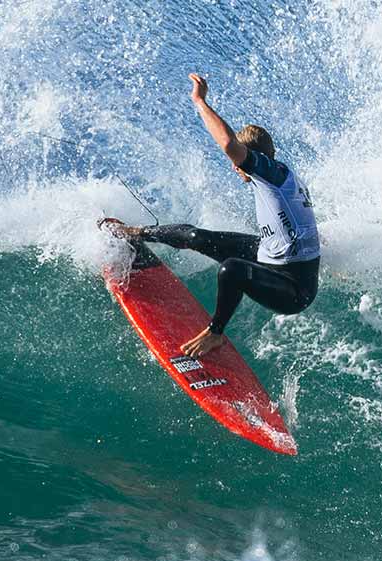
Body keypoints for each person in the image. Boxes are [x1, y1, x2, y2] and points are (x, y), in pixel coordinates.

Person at [104, 73, 321, 358]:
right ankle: (138, 233)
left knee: (231, 269)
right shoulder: (280, 174)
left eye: (238, 163)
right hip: (272, 254)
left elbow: (230, 145)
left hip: (294, 288)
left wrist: (200, 101)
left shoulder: (268, 175)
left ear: (248, 160)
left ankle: (214, 334)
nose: (234, 168)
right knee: (198, 236)